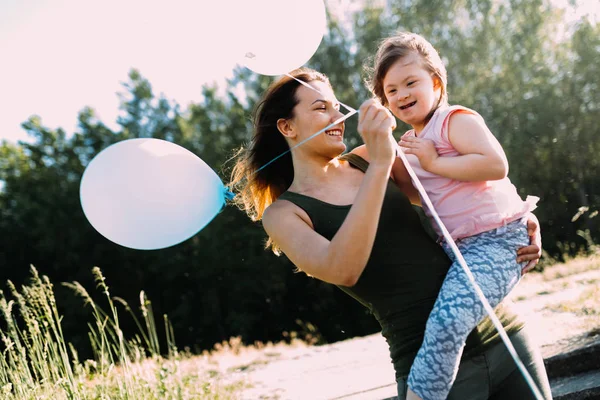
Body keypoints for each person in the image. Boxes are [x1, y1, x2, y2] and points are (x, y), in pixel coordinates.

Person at [229, 67, 552, 399]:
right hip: (429, 373)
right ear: (287, 126)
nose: (338, 115)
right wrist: (381, 165)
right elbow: (343, 268)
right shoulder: (284, 214)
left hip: (503, 334)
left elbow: (455, 191)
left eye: (337, 105)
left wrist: (517, 221)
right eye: (321, 107)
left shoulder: (369, 158)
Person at [367, 31, 548, 400]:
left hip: (497, 240)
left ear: (435, 82)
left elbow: (496, 165)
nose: (402, 95)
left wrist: (434, 160)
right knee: (446, 318)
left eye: (411, 82)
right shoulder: (411, 146)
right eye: (391, 91)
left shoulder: (453, 119)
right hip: (460, 250)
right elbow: (422, 198)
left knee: (448, 321)